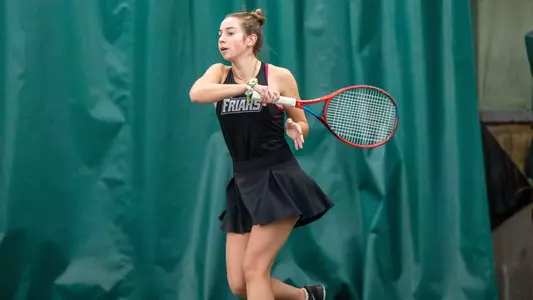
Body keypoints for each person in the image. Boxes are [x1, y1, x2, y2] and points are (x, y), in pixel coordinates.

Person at [189, 8, 334, 300]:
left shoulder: (279, 76)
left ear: (250, 39)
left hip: (278, 179)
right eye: (219, 34)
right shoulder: (219, 73)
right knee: (239, 284)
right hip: (243, 183)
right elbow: (197, 93)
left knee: (255, 270)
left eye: (230, 33)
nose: (222, 39)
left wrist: (296, 127)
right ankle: (307, 297)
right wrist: (247, 88)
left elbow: (301, 122)